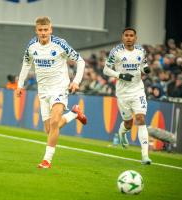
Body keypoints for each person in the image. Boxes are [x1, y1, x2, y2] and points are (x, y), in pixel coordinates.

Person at [16, 16, 87, 169]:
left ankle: (46, 160)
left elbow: (81, 61)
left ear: (51, 29)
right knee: (49, 129)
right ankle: (74, 114)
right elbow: (26, 64)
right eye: (40, 30)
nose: (43, 33)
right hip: (43, 91)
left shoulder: (60, 44)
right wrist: (20, 85)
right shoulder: (32, 46)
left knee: (54, 122)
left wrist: (76, 81)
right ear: (36, 31)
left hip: (60, 87)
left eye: (46, 30)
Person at [103, 27, 152, 165]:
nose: (129, 38)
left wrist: (145, 69)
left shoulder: (141, 50)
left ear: (135, 38)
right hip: (123, 93)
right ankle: (122, 133)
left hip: (138, 91)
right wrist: (120, 75)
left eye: (132, 35)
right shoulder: (116, 51)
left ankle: (145, 156)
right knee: (128, 123)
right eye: (127, 35)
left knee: (141, 118)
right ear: (122, 37)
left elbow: (143, 64)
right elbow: (106, 69)